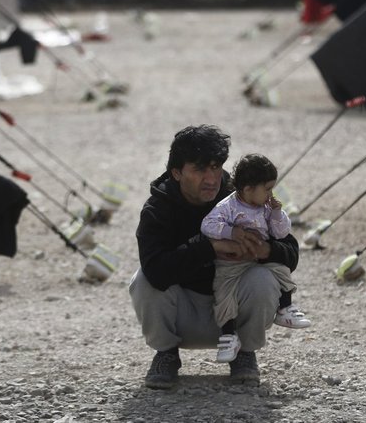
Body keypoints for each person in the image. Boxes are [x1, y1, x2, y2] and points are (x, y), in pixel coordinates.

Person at [129, 125, 300, 389]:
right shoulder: (158, 208)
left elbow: (291, 253)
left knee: (264, 279)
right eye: (199, 169)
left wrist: (266, 250)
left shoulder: (241, 198)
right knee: (142, 280)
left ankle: (244, 355)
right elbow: (156, 270)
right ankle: (166, 354)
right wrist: (211, 246)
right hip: (183, 314)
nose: (211, 178)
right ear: (177, 173)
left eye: (216, 167)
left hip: (234, 311)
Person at [200, 153, 311, 364]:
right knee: (224, 295)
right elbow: (207, 225)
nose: (271, 193)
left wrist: (278, 214)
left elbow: (281, 234)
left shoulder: (267, 207)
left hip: (258, 260)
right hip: (230, 263)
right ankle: (229, 335)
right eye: (267, 188)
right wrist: (231, 233)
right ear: (248, 189)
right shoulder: (227, 207)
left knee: (281, 271)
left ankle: (284, 308)